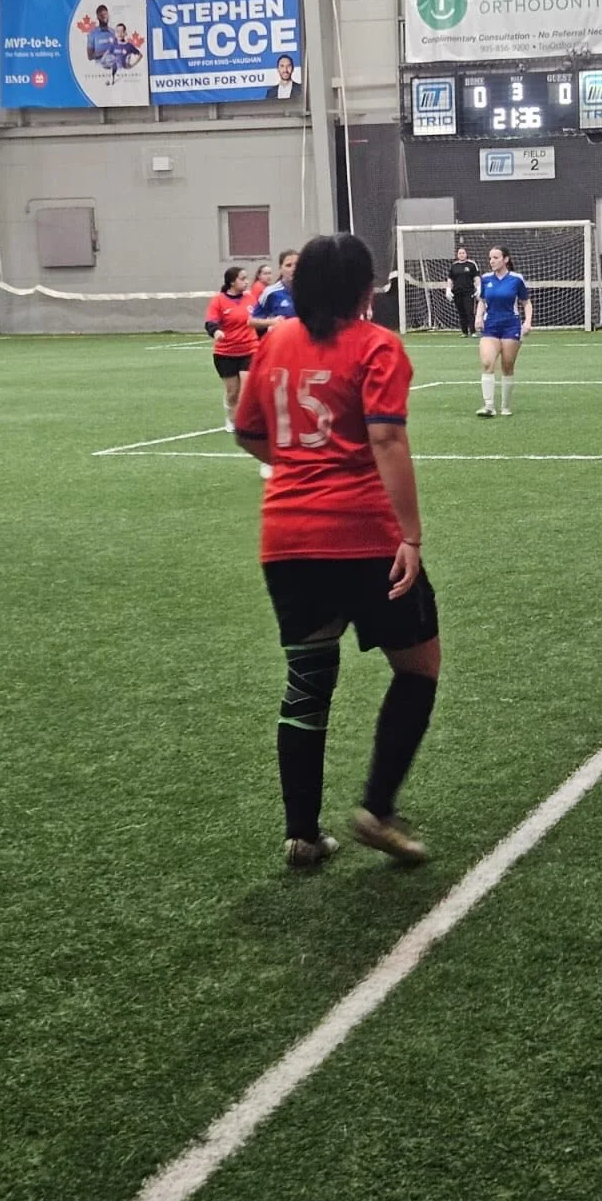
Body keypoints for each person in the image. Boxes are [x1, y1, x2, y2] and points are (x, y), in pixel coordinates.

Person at [235, 233, 439, 869]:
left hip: (288, 539)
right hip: (363, 537)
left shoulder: (274, 342)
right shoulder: (377, 345)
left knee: (307, 683)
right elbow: (385, 441)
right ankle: (376, 808)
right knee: (418, 669)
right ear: (365, 290)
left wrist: (298, 468)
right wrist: (410, 534)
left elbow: (247, 434)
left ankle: (302, 834)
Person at [475, 245, 532, 417]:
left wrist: (527, 322)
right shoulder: (485, 279)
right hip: (490, 326)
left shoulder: (516, 279)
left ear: (505, 259)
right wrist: (478, 317)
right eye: (490, 258)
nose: (492, 261)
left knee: (507, 366)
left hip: (511, 326)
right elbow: (482, 301)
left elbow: (526, 302)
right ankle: (489, 406)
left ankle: (505, 406)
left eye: (496, 257)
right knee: (487, 363)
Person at [205, 266, 258, 434]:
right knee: (232, 392)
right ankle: (230, 416)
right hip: (226, 353)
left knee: (247, 387)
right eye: (242, 279)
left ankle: (247, 420)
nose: (247, 282)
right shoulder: (218, 300)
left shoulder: (251, 298)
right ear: (232, 282)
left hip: (250, 349)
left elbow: (259, 319)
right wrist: (216, 331)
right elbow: (211, 321)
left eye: (247, 278)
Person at [252, 249, 299, 328]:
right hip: (283, 338)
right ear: (280, 269)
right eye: (288, 265)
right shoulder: (270, 292)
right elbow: (251, 321)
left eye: (297, 265)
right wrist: (271, 322)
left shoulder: (311, 290)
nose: (293, 269)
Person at [445, 245, 480, 337]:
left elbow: (476, 277)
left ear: (466, 254)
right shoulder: (454, 266)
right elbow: (450, 279)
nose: (461, 255)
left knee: (469, 311)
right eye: (459, 253)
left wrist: (478, 288)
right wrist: (448, 289)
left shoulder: (471, 264)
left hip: (468, 292)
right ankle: (464, 332)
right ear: (457, 255)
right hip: (457, 292)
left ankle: (473, 331)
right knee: (461, 312)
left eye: (463, 253)